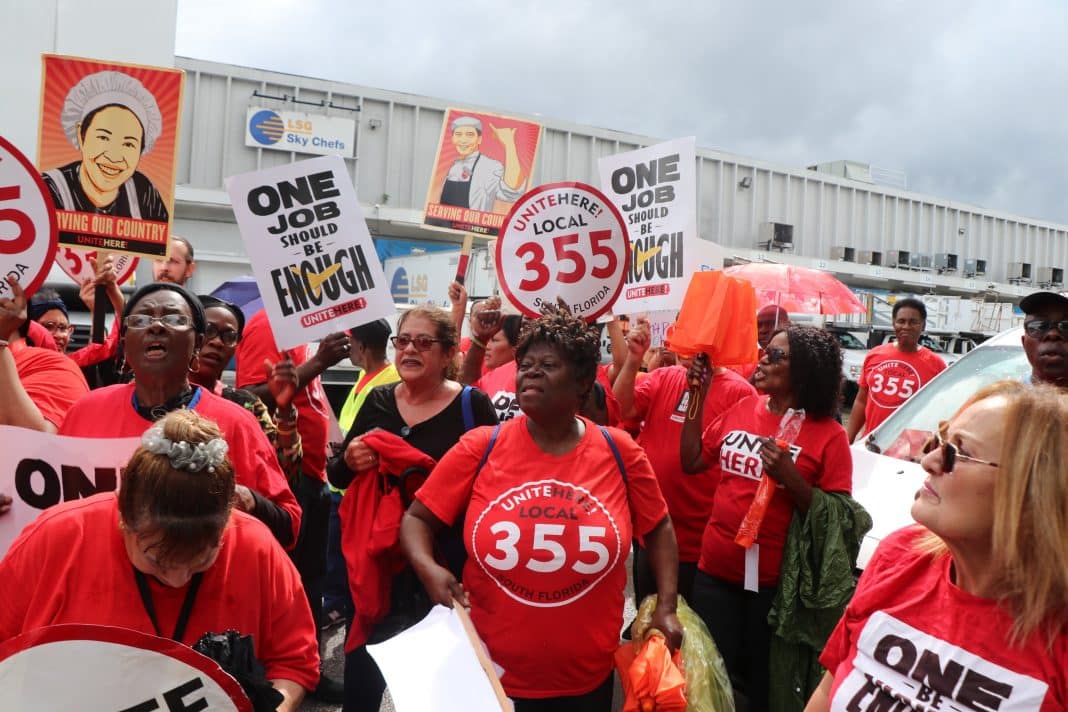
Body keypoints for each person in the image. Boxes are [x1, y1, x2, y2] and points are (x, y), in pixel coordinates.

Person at [401, 303, 683, 711]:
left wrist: (667, 606)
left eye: (547, 364)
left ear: (584, 381)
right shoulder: (481, 446)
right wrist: (429, 569)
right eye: (525, 363)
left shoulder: (620, 452)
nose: (530, 372)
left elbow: (659, 528)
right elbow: (416, 519)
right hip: (487, 674)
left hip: (587, 682)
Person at [0, 409, 319, 709]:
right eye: (157, 559)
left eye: (201, 561)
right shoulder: (58, 539)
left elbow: (294, 659)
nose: (177, 578)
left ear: (226, 524)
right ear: (124, 517)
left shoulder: (255, 547)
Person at [806, 381, 1068, 711]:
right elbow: (827, 693)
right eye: (939, 440)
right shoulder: (899, 555)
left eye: (957, 453)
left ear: (1035, 494)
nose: (928, 461)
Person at [327, 305, 497, 712]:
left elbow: (493, 486)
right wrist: (348, 461)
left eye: (424, 342)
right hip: (378, 568)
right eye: (402, 341)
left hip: (444, 567)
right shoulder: (379, 400)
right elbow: (337, 474)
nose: (409, 350)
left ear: (448, 353)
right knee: (363, 677)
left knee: (440, 687)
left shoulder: (473, 407)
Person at [680, 325, 852, 710]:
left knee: (761, 688)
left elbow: (839, 519)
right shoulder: (742, 409)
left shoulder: (829, 435)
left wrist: (791, 479)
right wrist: (697, 396)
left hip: (773, 590)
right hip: (714, 572)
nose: (763, 360)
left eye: (777, 355)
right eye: (765, 351)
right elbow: (691, 461)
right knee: (709, 683)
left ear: (804, 369)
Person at [58, 283, 301, 547]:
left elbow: (289, 525)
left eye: (173, 318)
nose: (156, 326)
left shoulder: (237, 422)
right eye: (140, 319)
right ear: (125, 345)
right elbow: (49, 507)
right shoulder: (86, 412)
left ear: (197, 343)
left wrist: (250, 501)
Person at [234, 310, 351, 702]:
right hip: (283, 479)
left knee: (311, 577)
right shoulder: (270, 324)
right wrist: (319, 363)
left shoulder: (305, 326)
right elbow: (248, 396)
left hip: (311, 475)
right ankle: (282, 673)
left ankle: (307, 670)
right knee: (290, 581)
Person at [613, 316, 756, 604]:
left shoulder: (740, 393)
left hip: (700, 543)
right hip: (652, 531)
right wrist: (634, 358)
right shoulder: (665, 377)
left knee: (690, 637)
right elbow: (620, 408)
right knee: (647, 623)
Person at [323, 318, 400, 628]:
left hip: (357, 490)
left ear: (362, 347)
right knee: (338, 557)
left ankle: (341, 607)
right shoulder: (367, 376)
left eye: (351, 343)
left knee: (348, 560)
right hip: (344, 485)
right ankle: (341, 604)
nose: (348, 350)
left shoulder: (386, 382)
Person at [190, 295, 303, 484]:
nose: (217, 342)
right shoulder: (157, 395)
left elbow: (285, 471)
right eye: (209, 330)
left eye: (229, 336)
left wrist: (285, 410)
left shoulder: (245, 404)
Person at [42, 70, 168, 222]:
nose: (114, 157)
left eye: (128, 144)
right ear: (81, 136)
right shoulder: (49, 188)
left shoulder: (144, 191)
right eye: (104, 137)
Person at [846, 297, 946, 442]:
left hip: (909, 450)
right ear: (893, 324)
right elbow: (861, 400)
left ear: (923, 325)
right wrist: (849, 438)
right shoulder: (874, 355)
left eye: (913, 322)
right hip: (872, 443)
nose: (906, 326)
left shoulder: (936, 365)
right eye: (901, 321)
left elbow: (940, 410)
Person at [0, 276, 89, 434]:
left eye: (63, 327)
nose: (59, 335)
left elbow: (34, 443)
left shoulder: (55, 366)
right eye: (49, 326)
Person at [435, 115, 524, 212]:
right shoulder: (454, 167)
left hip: (474, 227)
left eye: (470, 135)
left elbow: (511, 191)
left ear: (479, 139)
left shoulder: (489, 166)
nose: (463, 140)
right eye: (458, 134)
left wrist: (509, 145)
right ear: (452, 138)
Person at [1018, 290, 1068, 389]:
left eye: (1066, 326)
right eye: (1039, 326)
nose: (1052, 334)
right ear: (1024, 343)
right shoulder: (1004, 402)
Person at [735, 304, 792, 381]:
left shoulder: (796, 361)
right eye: (758, 325)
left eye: (770, 323)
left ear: (787, 325)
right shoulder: (743, 361)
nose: (762, 330)